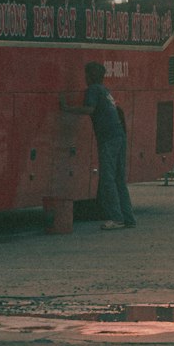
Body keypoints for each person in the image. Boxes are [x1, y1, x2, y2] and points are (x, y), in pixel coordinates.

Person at [60, 61, 135, 230]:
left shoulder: (93, 90)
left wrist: (67, 108)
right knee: (119, 179)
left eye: (86, 75)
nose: (85, 78)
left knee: (107, 179)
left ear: (90, 76)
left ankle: (116, 218)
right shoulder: (105, 90)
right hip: (119, 135)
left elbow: (89, 110)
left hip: (108, 138)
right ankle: (128, 218)